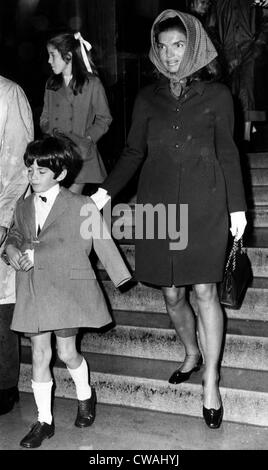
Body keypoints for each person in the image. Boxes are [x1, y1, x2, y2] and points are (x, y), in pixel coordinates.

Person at [91, 10, 247, 429]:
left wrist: (237, 208)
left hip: (207, 204)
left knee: (204, 290)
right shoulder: (147, 98)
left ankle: (211, 379)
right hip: (160, 208)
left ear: (194, 46)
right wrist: (104, 192)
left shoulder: (217, 96)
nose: (171, 54)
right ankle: (191, 352)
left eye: (178, 45)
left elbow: (229, 152)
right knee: (172, 294)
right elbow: (133, 153)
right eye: (163, 47)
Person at [4, 135, 131, 448]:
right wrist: (9, 251)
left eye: (41, 170)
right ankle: (44, 421)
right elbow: (16, 236)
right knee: (39, 354)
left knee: (66, 352)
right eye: (30, 168)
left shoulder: (80, 204)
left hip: (64, 289)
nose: (33, 174)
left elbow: (92, 243)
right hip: (33, 287)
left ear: (60, 174)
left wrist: (120, 276)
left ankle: (85, 395)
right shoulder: (22, 205)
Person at [40, 31, 112, 194]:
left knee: (68, 200)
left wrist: (87, 138)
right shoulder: (51, 83)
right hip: (56, 154)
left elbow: (104, 118)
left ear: (68, 56)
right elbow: (45, 116)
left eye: (53, 55)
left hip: (81, 155)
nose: (49, 61)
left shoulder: (92, 83)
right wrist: (49, 131)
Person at [0, 75, 34, 416]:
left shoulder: (9, 94)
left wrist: (4, 219)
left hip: (0, 214)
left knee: (1, 306)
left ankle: (5, 383)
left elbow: (20, 168)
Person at [212, 0, 268, 142]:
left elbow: (266, 20)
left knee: (246, 87)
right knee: (231, 94)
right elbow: (211, 28)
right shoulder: (219, 3)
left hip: (251, 51)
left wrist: (257, 46)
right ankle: (239, 137)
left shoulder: (255, 1)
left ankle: (246, 138)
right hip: (227, 55)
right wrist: (222, 55)